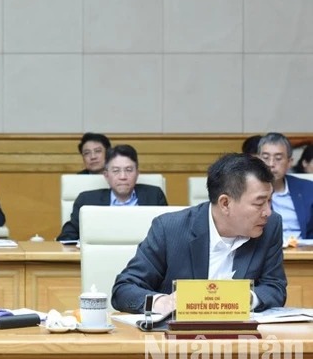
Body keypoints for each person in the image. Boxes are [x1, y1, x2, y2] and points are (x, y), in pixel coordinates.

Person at [111, 153, 286, 314]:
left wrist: (245, 298)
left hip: (241, 334)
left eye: (269, 201)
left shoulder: (270, 226)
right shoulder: (169, 229)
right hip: (176, 335)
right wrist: (161, 302)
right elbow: (124, 289)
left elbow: (275, 287)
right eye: (259, 203)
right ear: (225, 203)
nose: (268, 212)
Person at [57, 144, 167, 241]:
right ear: (106, 175)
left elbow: (168, 233)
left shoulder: (154, 196)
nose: (123, 177)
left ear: (137, 173)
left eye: (129, 170)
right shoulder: (86, 200)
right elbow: (67, 237)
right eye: (116, 171)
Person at [258, 133, 313, 240]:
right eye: (265, 158)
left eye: (278, 158)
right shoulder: (248, 191)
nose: (271, 164)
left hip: (303, 248)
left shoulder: (308, 189)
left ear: (289, 162)